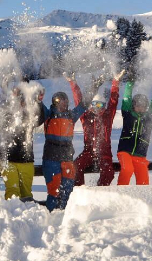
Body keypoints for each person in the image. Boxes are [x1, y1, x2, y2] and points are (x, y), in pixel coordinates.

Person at [72, 70, 125, 187]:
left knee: (109, 173)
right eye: (95, 104)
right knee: (75, 166)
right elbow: (78, 101)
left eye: (100, 105)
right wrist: (73, 83)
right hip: (88, 151)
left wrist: (115, 82)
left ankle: (100, 192)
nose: (97, 107)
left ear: (104, 106)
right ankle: (80, 191)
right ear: (91, 105)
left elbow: (113, 101)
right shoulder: (85, 117)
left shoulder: (107, 116)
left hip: (104, 152)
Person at [42, 73, 86, 211]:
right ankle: (51, 215)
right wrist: (35, 95)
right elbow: (39, 106)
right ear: (55, 102)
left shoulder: (71, 116)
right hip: (51, 156)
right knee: (54, 190)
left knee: (68, 189)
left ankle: (64, 214)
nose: (64, 104)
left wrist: (74, 84)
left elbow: (82, 104)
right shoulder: (49, 114)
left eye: (66, 102)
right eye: (61, 102)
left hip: (67, 156)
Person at [117, 71, 152, 185]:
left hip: (140, 155)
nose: (140, 108)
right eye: (138, 105)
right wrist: (130, 82)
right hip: (125, 152)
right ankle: (121, 195)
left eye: (143, 105)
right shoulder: (127, 114)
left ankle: (143, 199)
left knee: (144, 180)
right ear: (133, 106)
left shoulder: (149, 117)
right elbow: (126, 98)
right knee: (128, 169)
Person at [0, 82, 47, 201]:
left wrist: (39, 102)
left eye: (25, 101)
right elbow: (2, 108)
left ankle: (28, 217)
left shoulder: (30, 115)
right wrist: (5, 90)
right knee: (13, 194)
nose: (22, 104)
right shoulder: (7, 114)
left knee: (27, 194)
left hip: (26, 159)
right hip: (8, 159)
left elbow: (41, 117)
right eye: (20, 101)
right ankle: (12, 215)